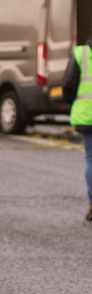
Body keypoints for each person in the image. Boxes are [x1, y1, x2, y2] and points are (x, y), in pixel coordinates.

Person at [60, 28, 92, 220]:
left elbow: (68, 85)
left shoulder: (81, 53)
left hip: (85, 115)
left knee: (90, 158)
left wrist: (75, 103)